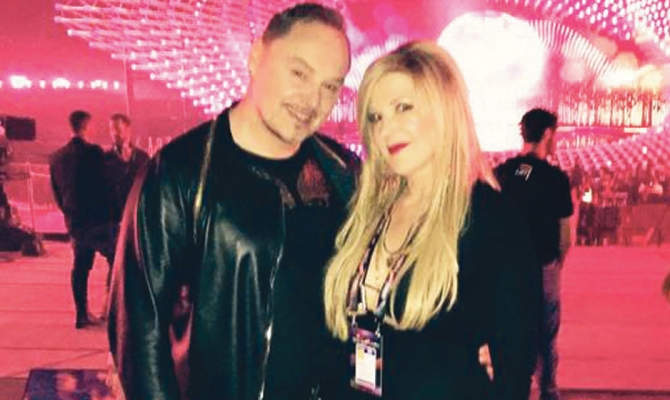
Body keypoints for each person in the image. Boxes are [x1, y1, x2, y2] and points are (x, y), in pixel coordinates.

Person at [107, 3, 359, 400]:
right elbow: (139, 327)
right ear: (257, 57)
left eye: (330, 86)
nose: (313, 99)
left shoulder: (342, 170)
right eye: (299, 73)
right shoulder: (181, 173)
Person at [322, 41, 538, 400]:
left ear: (444, 109)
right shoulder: (366, 212)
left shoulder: (489, 219)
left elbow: (512, 370)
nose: (385, 129)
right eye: (375, 117)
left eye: (403, 107)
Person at [495, 108, 574, 400]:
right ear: (548, 134)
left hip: (507, 271)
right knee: (546, 335)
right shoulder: (555, 178)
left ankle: (513, 387)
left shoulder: (502, 173)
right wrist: (557, 261)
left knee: (510, 330)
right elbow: (565, 234)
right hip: (543, 267)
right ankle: (547, 389)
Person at [50, 110, 116, 329]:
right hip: (98, 221)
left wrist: (69, 214)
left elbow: (57, 193)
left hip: (75, 222)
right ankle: (112, 308)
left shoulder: (57, 157)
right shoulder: (94, 153)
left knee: (80, 268)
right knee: (117, 260)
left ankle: (81, 313)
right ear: (87, 126)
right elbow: (105, 185)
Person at [105, 113, 150, 225]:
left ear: (128, 129)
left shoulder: (142, 158)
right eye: (111, 130)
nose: (114, 133)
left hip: (138, 216)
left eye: (117, 129)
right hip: (114, 220)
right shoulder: (106, 159)